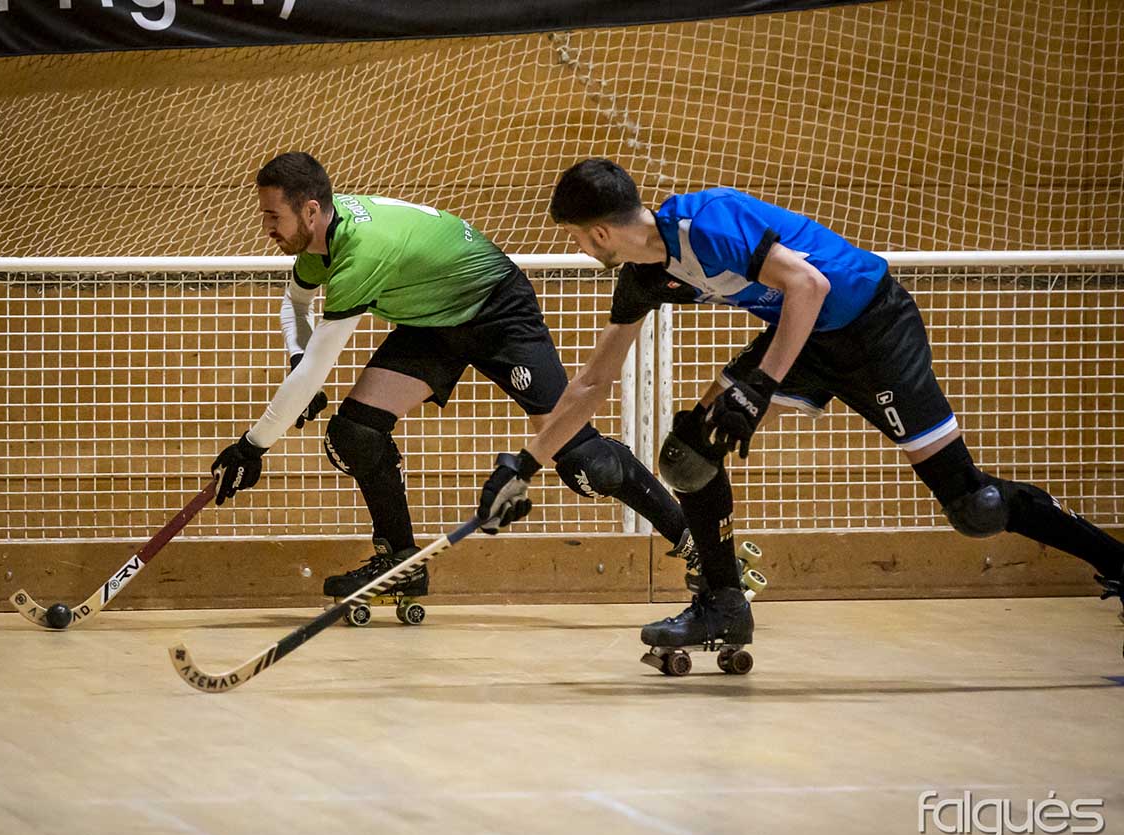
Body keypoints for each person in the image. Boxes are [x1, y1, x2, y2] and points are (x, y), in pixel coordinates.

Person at [477, 157, 1124, 651]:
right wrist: (525, 465)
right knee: (690, 455)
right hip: (804, 339)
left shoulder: (708, 220)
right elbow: (592, 382)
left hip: (872, 328)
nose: (580, 250)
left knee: (973, 507)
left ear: (598, 232)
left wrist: (759, 385)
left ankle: (1116, 563)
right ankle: (723, 606)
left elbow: (808, 285)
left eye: (577, 239)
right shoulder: (646, 277)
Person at [209, 152, 701, 616]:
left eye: (273, 216)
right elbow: (296, 305)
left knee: (585, 462)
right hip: (433, 324)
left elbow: (319, 367)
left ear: (311, 210)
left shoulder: (359, 251)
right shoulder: (321, 243)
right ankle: (401, 562)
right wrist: (297, 358)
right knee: (354, 434)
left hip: (497, 310)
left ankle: (694, 541)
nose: (267, 227)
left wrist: (253, 445)